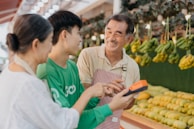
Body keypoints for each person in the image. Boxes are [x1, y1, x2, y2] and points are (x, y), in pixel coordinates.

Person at [0, 14, 125, 129]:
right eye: (49, 41)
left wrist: (97, 93)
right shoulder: (29, 84)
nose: (51, 46)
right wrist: (109, 105)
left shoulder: (9, 73)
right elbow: (63, 123)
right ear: (36, 44)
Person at [36, 10, 135, 129]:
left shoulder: (71, 66)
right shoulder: (46, 72)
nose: (80, 39)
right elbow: (67, 121)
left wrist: (102, 91)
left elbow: (81, 105)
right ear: (65, 35)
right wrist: (111, 107)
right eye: (78, 33)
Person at [77, 14, 140, 129]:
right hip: (88, 124)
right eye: (109, 31)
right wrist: (106, 91)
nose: (111, 38)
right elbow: (82, 92)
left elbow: (130, 103)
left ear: (129, 39)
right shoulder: (88, 55)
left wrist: (126, 99)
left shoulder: (133, 66)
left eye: (118, 33)